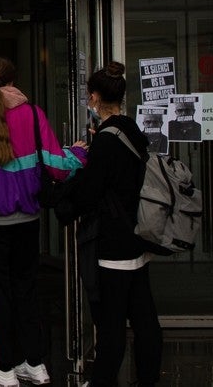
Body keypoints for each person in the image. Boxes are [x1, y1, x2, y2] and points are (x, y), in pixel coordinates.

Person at [0, 57, 86, 387]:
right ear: (14, 80)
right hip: (28, 220)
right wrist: (80, 153)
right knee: (27, 290)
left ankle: (3, 367)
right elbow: (57, 167)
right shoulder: (33, 114)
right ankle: (35, 364)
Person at [69, 61, 162, 387]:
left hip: (112, 240)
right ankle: (148, 378)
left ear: (94, 98)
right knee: (144, 317)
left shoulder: (107, 141)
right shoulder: (132, 131)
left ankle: (103, 380)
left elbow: (90, 193)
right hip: (137, 235)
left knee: (110, 324)